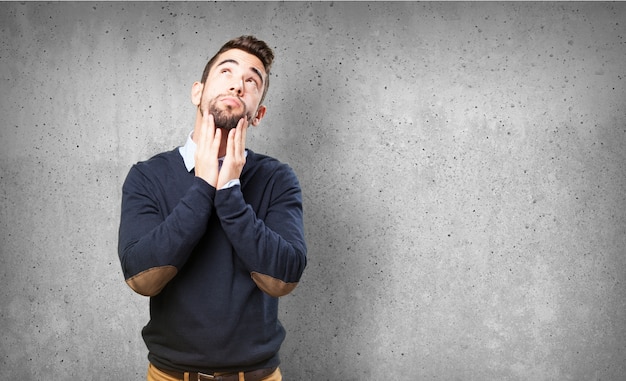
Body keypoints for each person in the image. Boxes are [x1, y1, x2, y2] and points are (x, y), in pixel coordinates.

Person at [118, 35, 307, 381]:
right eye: (227, 71)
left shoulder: (277, 178)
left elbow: (285, 275)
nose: (238, 84)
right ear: (197, 92)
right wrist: (203, 185)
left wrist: (230, 187)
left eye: (252, 80)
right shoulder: (147, 176)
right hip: (170, 377)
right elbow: (140, 276)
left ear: (258, 113)